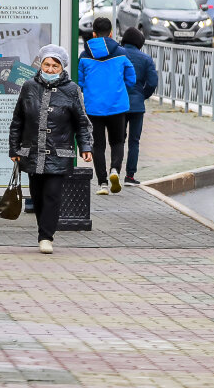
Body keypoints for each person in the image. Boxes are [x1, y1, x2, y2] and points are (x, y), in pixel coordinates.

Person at [8, 44, 93, 254]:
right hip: (33, 151)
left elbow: (81, 122)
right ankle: (43, 230)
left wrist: (85, 146)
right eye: (47, 64)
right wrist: (13, 149)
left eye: (55, 65)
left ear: (62, 67)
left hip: (58, 153)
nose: (50, 69)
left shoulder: (72, 90)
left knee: (52, 194)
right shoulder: (29, 86)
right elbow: (17, 120)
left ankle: (46, 237)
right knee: (37, 196)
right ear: (41, 65)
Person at [78, 17, 136, 195]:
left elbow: (80, 82)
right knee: (118, 141)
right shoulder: (121, 53)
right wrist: (118, 88)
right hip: (117, 106)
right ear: (111, 33)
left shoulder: (84, 55)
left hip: (93, 107)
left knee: (98, 146)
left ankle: (102, 183)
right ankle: (115, 171)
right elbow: (132, 79)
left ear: (93, 34)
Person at [119, 27, 159, 185]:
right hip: (137, 106)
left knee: (118, 140)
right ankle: (130, 176)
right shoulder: (146, 59)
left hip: (119, 104)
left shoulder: (117, 54)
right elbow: (153, 82)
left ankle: (113, 171)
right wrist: (143, 95)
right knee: (134, 141)